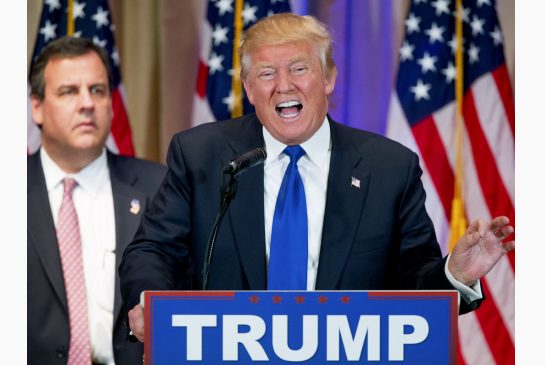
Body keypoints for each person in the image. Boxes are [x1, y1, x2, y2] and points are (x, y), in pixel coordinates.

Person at [119, 13, 514, 342]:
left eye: (299, 69)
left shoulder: (389, 168)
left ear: (328, 79)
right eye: (266, 73)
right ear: (249, 89)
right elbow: (151, 251)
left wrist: (456, 275)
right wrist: (152, 303)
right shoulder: (201, 155)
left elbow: (412, 282)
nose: (283, 86)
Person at [27, 36, 167, 365]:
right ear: (37, 106)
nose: (87, 103)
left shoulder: (159, 186)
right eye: (69, 91)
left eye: (98, 90)